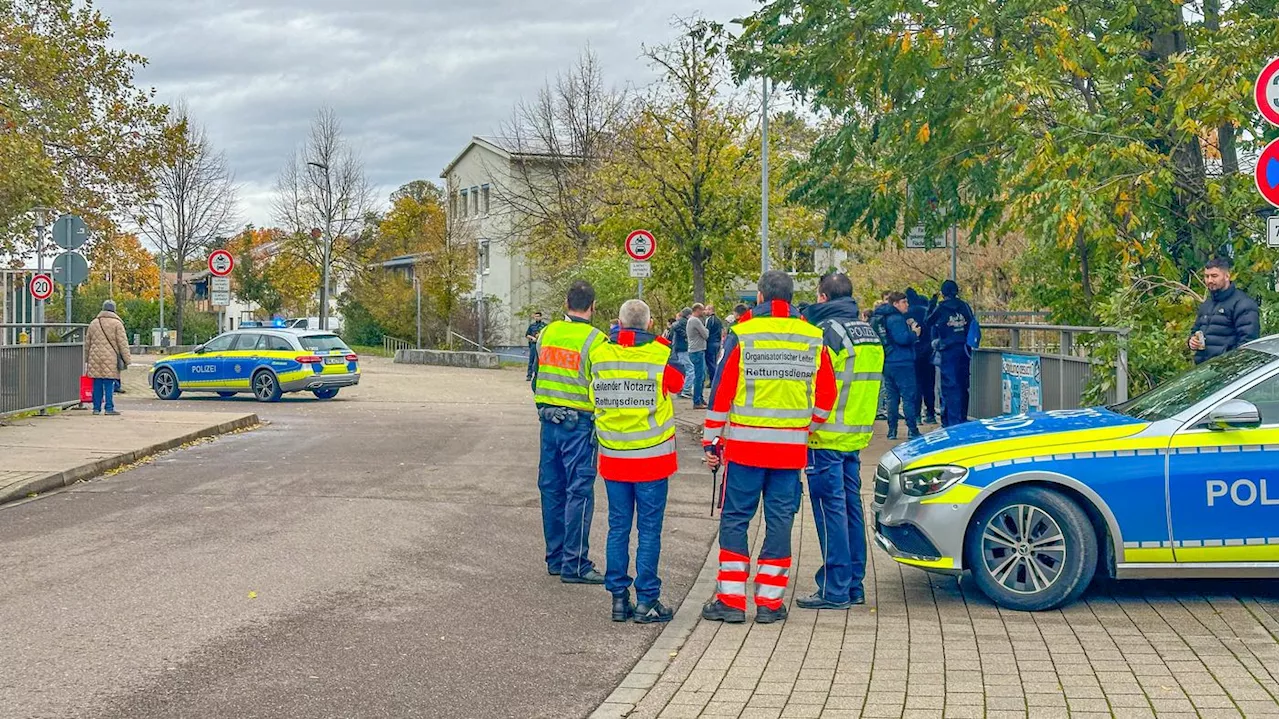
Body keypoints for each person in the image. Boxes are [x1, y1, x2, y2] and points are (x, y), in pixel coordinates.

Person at [702, 271, 837, 625]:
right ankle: (770, 602)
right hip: (790, 451)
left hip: (746, 448)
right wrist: (808, 426)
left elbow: (721, 391)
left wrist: (712, 439)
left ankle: (731, 600)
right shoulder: (813, 337)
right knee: (779, 521)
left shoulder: (742, 335)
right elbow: (826, 396)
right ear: (792, 298)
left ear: (760, 296)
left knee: (736, 519)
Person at [589, 299, 686, 624]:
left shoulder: (601, 354)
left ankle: (619, 599)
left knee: (618, 527)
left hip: (614, 456)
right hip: (651, 459)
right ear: (648, 323)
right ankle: (647, 600)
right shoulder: (660, 354)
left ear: (618, 321)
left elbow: (593, 395)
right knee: (648, 530)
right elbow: (679, 383)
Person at [799, 273, 883, 609]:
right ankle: (853, 584)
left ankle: (834, 588)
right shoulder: (868, 331)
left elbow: (816, 382)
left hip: (825, 434)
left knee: (828, 509)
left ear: (821, 297)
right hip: (856, 433)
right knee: (851, 507)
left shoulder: (827, 333)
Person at [531, 281, 607, 584]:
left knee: (551, 489)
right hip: (580, 426)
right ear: (593, 306)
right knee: (579, 492)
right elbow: (600, 386)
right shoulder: (597, 340)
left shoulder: (547, 333)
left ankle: (556, 557)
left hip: (548, 422)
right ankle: (575, 563)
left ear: (566, 303)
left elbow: (538, 377)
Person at [1188, 257, 1260, 364]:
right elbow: (1196, 330)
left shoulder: (1243, 304)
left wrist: (1230, 364)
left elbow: (1248, 344)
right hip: (1203, 369)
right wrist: (1192, 341)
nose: (1210, 280)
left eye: (1214, 276)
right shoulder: (1207, 304)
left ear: (1227, 276)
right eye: (1207, 276)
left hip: (1228, 370)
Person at [927, 280, 977, 427]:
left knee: (950, 386)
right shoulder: (965, 306)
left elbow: (928, 321)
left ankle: (950, 421)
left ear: (943, 293)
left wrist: (931, 304)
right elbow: (972, 323)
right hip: (964, 350)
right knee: (963, 384)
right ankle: (962, 418)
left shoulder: (941, 308)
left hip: (947, 350)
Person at [873, 292, 922, 440]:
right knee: (908, 397)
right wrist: (914, 334)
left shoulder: (883, 317)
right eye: (904, 302)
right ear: (895, 304)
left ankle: (892, 430)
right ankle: (912, 430)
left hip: (888, 362)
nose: (907, 305)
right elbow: (902, 338)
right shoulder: (896, 319)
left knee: (892, 398)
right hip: (902, 362)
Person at [85, 299, 132, 416]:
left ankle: (96, 408)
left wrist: (86, 358)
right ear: (114, 310)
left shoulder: (93, 323)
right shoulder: (117, 324)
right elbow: (123, 343)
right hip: (110, 358)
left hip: (95, 358)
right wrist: (127, 359)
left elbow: (87, 344)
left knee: (97, 383)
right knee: (109, 383)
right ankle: (109, 408)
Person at [905, 288, 936, 424]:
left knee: (916, 385)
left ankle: (916, 415)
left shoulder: (907, 314)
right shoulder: (926, 311)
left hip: (913, 353)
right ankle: (930, 413)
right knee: (929, 384)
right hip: (929, 352)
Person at [686, 303, 710, 408]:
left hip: (695, 350)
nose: (704, 312)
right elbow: (706, 334)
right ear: (697, 310)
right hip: (697, 351)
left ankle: (700, 398)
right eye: (702, 310)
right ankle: (697, 401)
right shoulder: (695, 320)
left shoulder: (691, 320)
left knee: (702, 375)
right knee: (699, 377)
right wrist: (706, 329)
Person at [673, 307, 694, 398]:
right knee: (690, 369)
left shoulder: (680, 322)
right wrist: (686, 335)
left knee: (683, 369)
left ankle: (680, 389)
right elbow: (676, 327)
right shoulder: (685, 322)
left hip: (679, 348)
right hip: (683, 348)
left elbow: (674, 326)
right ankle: (686, 390)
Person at [524, 311, 548, 381]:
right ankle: (529, 375)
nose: (537, 318)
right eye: (535, 316)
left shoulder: (545, 326)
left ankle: (539, 375)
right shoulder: (532, 326)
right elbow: (527, 335)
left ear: (541, 317)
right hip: (533, 345)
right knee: (531, 360)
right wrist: (532, 338)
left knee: (540, 361)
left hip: (541, 345)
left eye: (538, 316)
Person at [704, 304, 723, 387]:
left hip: (711, 343)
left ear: (711, 310)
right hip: (717, 342)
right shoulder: (718, 320)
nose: (705, 311)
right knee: (714, 361)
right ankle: (714, 380)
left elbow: (706, 332)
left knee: (710, 363)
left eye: (707, 310)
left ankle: (714, 381)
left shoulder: (709, 320)